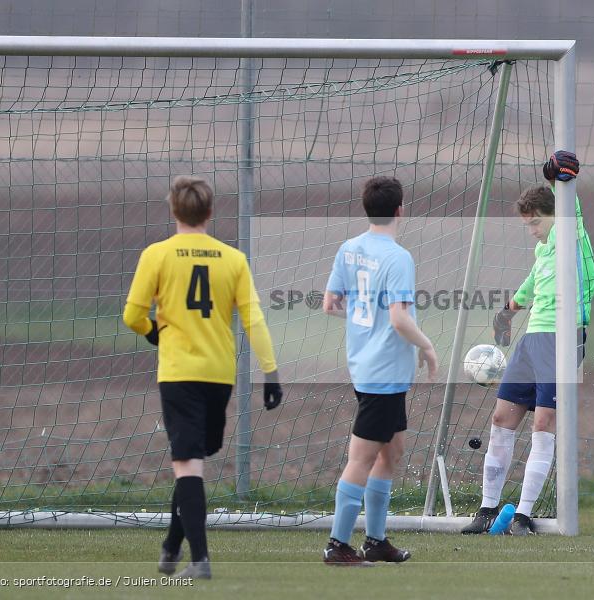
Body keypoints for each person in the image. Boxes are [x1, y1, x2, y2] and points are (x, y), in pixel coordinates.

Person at [123, 176, 283, 579]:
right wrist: (270, 372)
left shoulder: (157, 255)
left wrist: (154, 332)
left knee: (188, 463)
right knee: (192, 458)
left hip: (179, 374)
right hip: (218, 375)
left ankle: (198, 561)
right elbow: (254, 319)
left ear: (173, 209)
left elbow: (132, 315)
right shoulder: (233, 259)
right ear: (210, 212)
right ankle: (175, 549)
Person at [461, 151, 594, 535]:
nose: (532, 230)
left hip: (563, 339)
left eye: (536, 222)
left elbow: (570, 206)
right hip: (532, 338)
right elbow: (533, 283)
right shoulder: (543, 250)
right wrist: (507, 312)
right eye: (528, 224)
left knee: (542, 423)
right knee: (501, 419)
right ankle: (487, 509)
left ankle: (522, 516)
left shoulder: (572, 234)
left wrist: (557, 178)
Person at [321, 176, 438, 565]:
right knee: (362, 459)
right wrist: (427, 346)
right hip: (384, 371)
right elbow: (400, 319)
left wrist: (364, 317)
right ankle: (338, 544)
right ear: (400, 209)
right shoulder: (398, 257)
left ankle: (375, 541)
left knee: (392, 451)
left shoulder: (349, 249)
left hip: (367, 366)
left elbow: (330, 304)